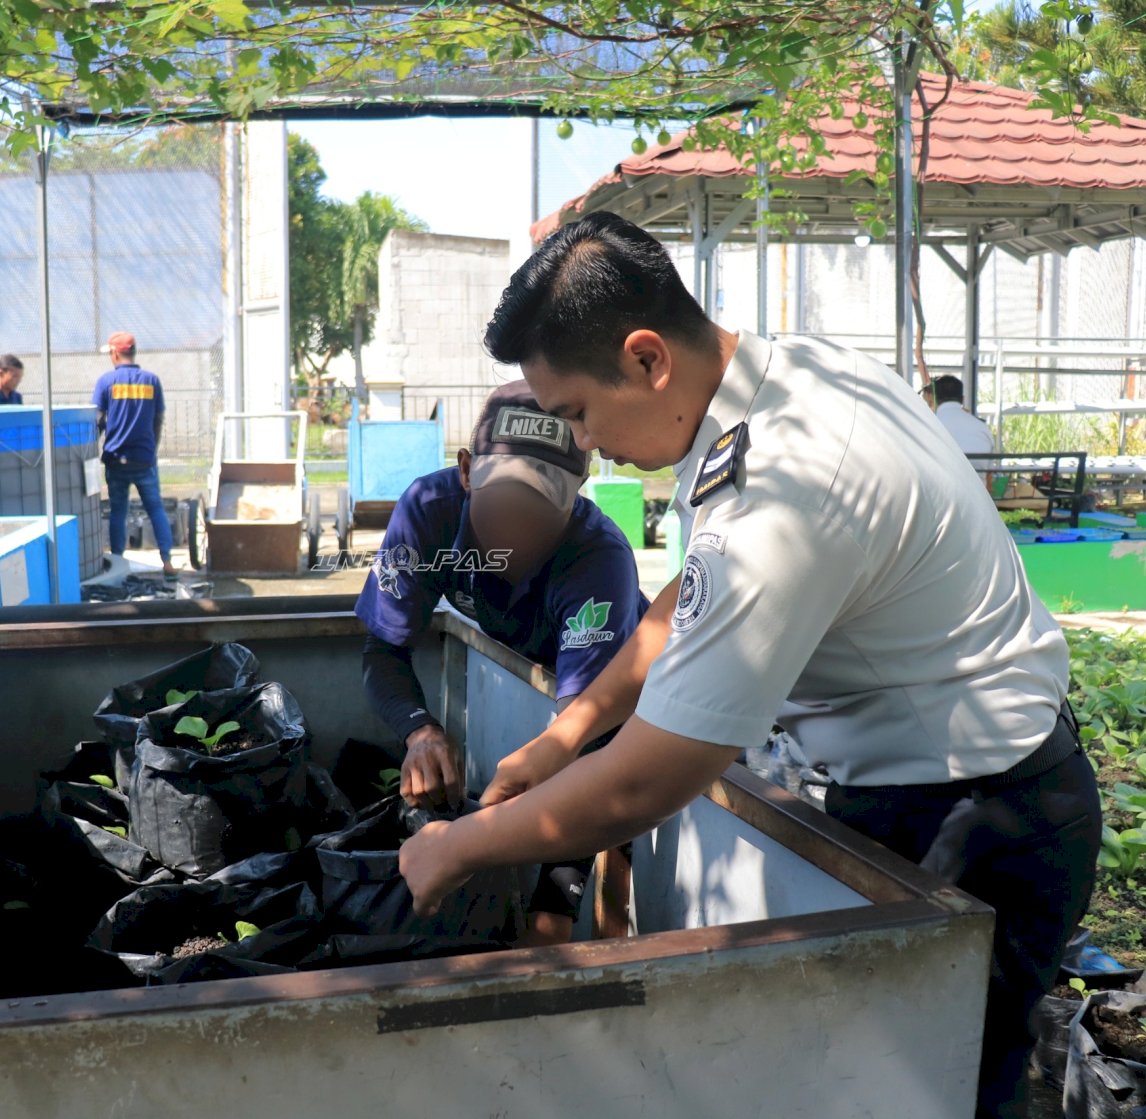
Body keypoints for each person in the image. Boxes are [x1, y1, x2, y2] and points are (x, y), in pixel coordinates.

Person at [398, 212, 1098, 1119]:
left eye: (577, 412)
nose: (586, 443)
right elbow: (692, 593)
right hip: (923, 787)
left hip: (983, 817)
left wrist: (458, 846)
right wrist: (565, 733)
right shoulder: (789, 381)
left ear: (648, 359)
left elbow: (651, 778)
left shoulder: (785, 484)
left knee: (932, 1088)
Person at [357, 379, 648, 945]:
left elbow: (588, 735)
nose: (515, 534)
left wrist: (555, 901)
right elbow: (383, 648)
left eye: (540, 510)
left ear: (578, 491)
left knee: (594, 884)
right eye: (501, 505)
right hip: (567, 706)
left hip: (618, 703)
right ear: (466, 471)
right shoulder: (429, 515)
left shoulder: (597, 559)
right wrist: (420, 732)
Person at [93, 331, 175, 577]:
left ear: (115, 354)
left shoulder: (106, 382)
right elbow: (158, 419)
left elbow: (96, 420)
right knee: (155, 508)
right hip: (144, 459)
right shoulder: (152, 381)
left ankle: (118, 561)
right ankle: (167, 562)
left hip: (116, 459)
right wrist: (152, 448)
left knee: (119, 510)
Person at [925, 374, 995, 457]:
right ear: (962, 399)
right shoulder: (983, 427)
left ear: (934, 399)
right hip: (977, 470)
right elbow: (990, 467)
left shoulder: (927, 426)